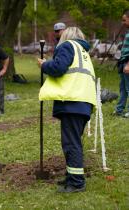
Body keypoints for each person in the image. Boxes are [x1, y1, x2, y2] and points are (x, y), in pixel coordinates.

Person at [37, 27, 96, 193]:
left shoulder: (67, 46)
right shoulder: (83, 52)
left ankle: (77, 182)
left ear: (66, 36)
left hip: (72, 101)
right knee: (72, 141)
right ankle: (72, 177)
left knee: (71, 144)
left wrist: (44, 64)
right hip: (83, 102)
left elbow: (58, 68)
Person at [114, 9, 129, 117]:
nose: (122, 23)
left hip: (128, 63)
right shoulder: (128, 32)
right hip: (123, 63)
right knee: (123, 88)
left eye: (124, 20)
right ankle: (119, 110)